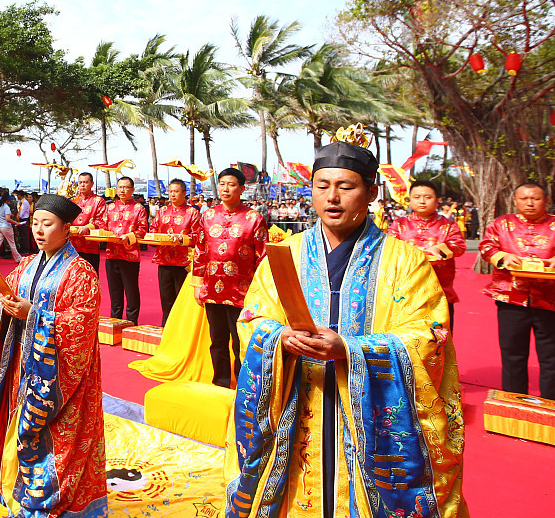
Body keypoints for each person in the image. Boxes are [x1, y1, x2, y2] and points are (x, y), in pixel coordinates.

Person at [225, 132, 466, 518]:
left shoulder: (405, 262)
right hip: (299, 403)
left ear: (371, 193)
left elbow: (430, 335)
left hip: (370, 423)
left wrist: (351, 350)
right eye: (322, 186)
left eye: (345, 186)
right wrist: (277, 338)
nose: (332, 197)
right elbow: (253, 318)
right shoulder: (286, 254)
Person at [0, 193, 105, 518]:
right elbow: (1, 295)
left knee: (48, 433)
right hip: (19, 362)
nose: (39, 230)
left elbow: (82, 324)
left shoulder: (81, 273)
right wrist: (6, 307)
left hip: (56, 374)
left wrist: (33, 314)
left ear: (66, 229)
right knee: (12, 420)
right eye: (35, 223)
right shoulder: (26, 264)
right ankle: (7, 476)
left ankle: (46, 490)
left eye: (47, 224)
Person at [480, 182, 555, 402]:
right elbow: (487, 246)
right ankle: (514, 403)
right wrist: (503, 257)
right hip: (511, 299)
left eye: (535, 198)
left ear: (546, 201)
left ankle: (554, 406)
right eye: (524, 198)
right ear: (515, 201)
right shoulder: (502, 224)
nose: (530, 203)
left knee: (553, 357)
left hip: (553, 301)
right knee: (512, 355)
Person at [193, 167, 267, 389]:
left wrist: (259, 292)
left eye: (231, 184)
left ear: (242, 188)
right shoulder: (207, 215)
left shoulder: (254, 218)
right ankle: (221, 381)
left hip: (242, 291)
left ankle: (243, 384)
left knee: (240, 340)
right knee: (217, 340)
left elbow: (262, 258)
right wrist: (197, 284)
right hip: (212, 289)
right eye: (222, 183)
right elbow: (200, 251)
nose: (226, 188)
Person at [387, 179, 466, 330]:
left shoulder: (448, 225)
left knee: (441, 339)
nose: (422, 201)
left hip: (440, 292)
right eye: (416, 197)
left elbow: (459, 246)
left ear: (437, 200)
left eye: (427, 197)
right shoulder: (399, 224)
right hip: (406, 293)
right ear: (409, 200)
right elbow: (390, 249)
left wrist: (441, 249)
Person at [150, 178, 201, 326]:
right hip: (164, 260)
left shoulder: (192, 213)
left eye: (176, 191)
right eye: (170, 191)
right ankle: (166, 329)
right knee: (166, 300)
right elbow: (153, 230)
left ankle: (181, 331)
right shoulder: (162, 211)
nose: (172, 195)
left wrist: (181, 238)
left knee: (182, 300)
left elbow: (198, 236)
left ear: (184, 193)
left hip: (183, 262)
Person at [104, 176, 148, 324]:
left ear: (132, 190)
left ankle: (131, 322)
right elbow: (103, 227)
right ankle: (115, 322)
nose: (122, 190)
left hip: (130, 256)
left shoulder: (139, 208)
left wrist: (128, 236)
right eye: (120, 187)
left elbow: (143, 230)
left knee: (131, 292)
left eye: (126, 187)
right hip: (111, 254)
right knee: (114, 292)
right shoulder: (109, 207)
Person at [68, 172, 108, 274]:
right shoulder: (73, 200)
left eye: (85, 182)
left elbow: (102, 221)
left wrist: (88, 227)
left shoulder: (98, 201)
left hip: (90, 247)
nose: (82, 185)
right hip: (71, 245)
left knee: (90, 276)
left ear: (92, 184)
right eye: (80, 182)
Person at [0, 189, 22, 264]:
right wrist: (16, 222)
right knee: (12, 243)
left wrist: (9, 216)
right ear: (7, 200)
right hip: (6, 227)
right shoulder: (6, 207)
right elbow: (7, 219)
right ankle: (18, 258)